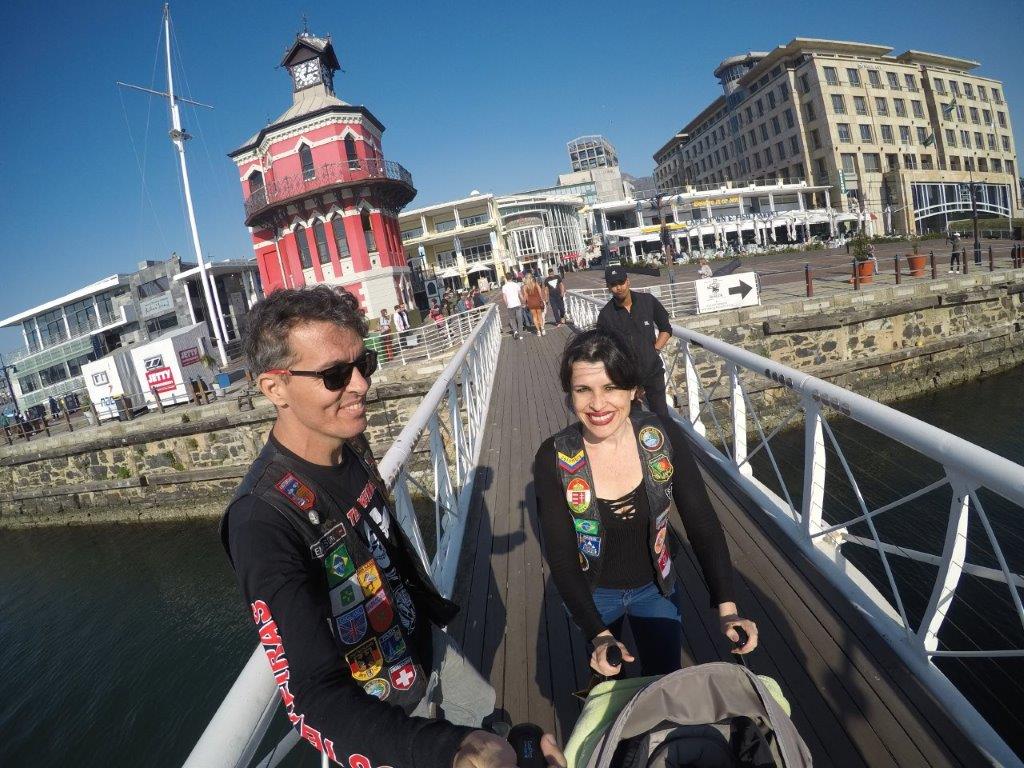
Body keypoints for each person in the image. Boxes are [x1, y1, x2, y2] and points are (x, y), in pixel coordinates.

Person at [222, 286, 563, 768]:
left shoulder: (348, 444)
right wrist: (449, 749)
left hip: (427, 646)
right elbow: (314, 698)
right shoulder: (261, 519)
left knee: (491, 721)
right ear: (275, 388)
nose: (361, 385)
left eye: (364, 364)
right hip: (386, 713)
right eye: (336, 375)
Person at [534, 329, 757, 678]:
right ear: (570, 394)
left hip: (656, 586)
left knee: (664, 678)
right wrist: (598, 633)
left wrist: (728, 609)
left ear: (632, 390)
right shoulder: (554, 457)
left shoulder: (662, 437)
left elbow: (702, 523)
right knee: (607, 683)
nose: (598, 404)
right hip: (593, 591)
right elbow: (561, 556)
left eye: (611, 388)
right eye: (583, 390)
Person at [597, 266, 673, 418]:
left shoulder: (648, 301)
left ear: (628, 281)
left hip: (653, 372)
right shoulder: (606, 315)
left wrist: (654, 351)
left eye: (621, 282)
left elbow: (666, 328)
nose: (619, 288)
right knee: (633, 420)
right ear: (608, 288)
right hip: (626, 378)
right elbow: (605, 350)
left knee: (662, 417)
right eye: (613, 285)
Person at [501, 275, 525, 340]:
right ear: (512, 278)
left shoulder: (504, 287)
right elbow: (520, 294)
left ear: (506, 278)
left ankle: (515, 331)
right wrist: (523, 301)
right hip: (517, 304)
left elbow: (504, 297)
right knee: (519, 320)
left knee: (512, 319)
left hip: (510, 305)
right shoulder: (516, 285)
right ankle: (521, 335)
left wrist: (507, 304)